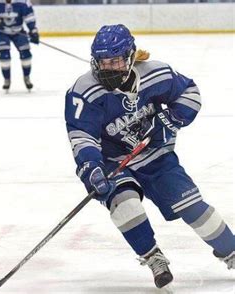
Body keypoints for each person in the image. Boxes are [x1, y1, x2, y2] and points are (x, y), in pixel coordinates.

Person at [64, 24, 234, 289]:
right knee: (125, 205)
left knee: (192, 207)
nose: (108, 68)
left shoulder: (156, 73)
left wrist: (171, 118)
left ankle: (231, 252)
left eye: (116, 60)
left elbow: (190, 93)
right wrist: (91, 168)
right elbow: (82, 135)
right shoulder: (84, 91)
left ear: (131, 56)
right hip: (112, 162)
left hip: (155, 155)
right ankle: (153, 256)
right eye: (103, 62)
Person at [0, 0, 39, 92]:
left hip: (18, 31)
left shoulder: (23, 1)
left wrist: (33, 30)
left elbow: (29, 16)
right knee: (4, 54)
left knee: (26, 53)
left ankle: (26, 77)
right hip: (1, 32)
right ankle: (7, 79)